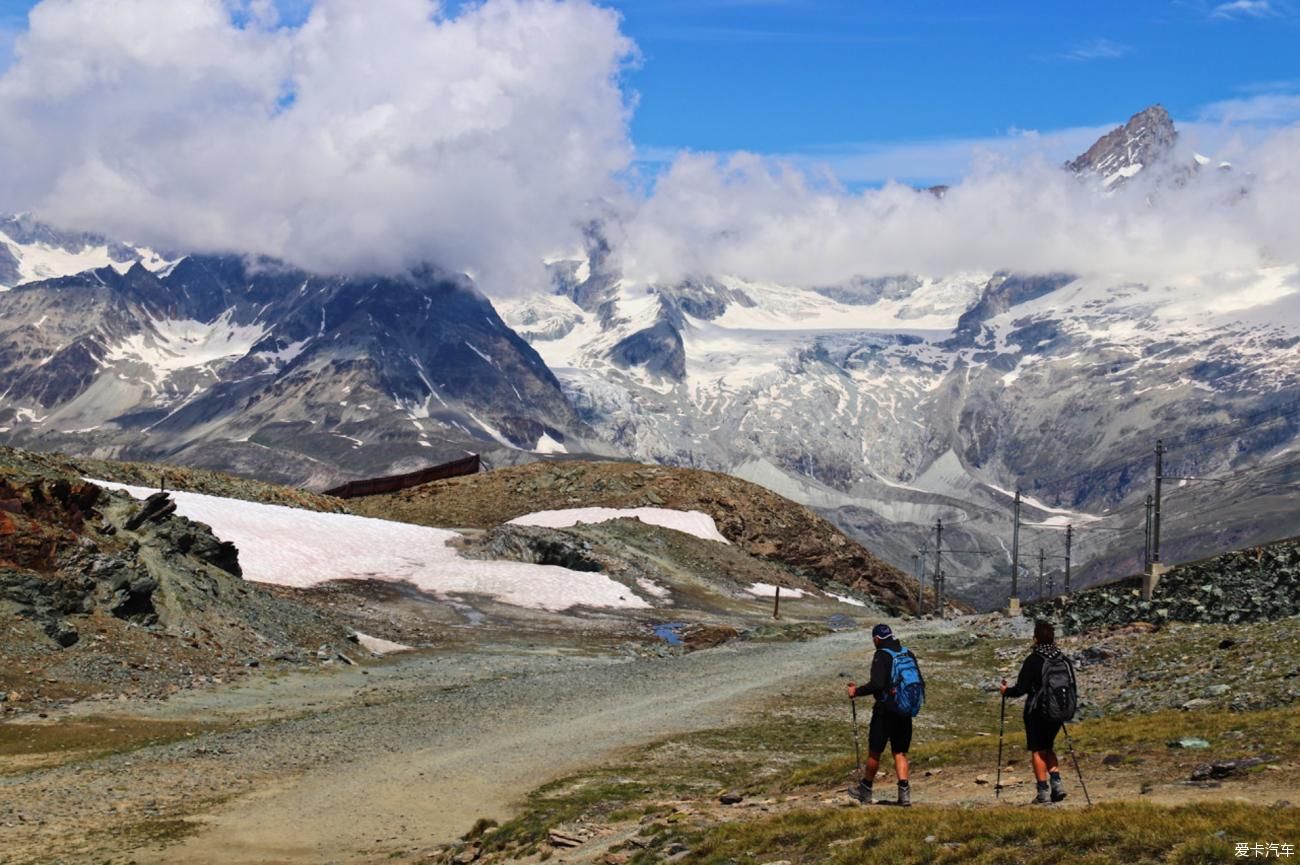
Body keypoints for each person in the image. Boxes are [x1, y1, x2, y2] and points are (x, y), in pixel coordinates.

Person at [846, 623, 923, 806]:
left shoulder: (881, 656)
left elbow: (877, 684)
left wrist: (856, 691)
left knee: (875, 751)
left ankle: (865, 791)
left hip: (885, 710)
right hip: (904, 709)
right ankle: (904, 795)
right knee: (900, 752)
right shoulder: (907, 653)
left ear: (877, 639)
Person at [1001, 620, 1069, 804]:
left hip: (1037, 711)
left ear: (1035, 638)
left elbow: (1021, 689)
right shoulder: (1060, 658)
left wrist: (1005, 692)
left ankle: (1043, 792)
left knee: (1037, 750)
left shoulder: (1034, 660)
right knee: (1049, 747)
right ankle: (1057, 784)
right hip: (1057, 712)